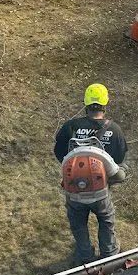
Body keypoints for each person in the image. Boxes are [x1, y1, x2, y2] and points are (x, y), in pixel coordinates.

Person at [54, 83, 128, 264]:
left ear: (85, 103)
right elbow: (119, 158)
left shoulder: (70, 127)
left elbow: (59, 152)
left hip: (74, 191)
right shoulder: (114, 130)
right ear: (105, 104)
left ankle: (84, 256)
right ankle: (109, 254)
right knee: (106, 219)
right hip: (100, 191)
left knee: (78, 223)